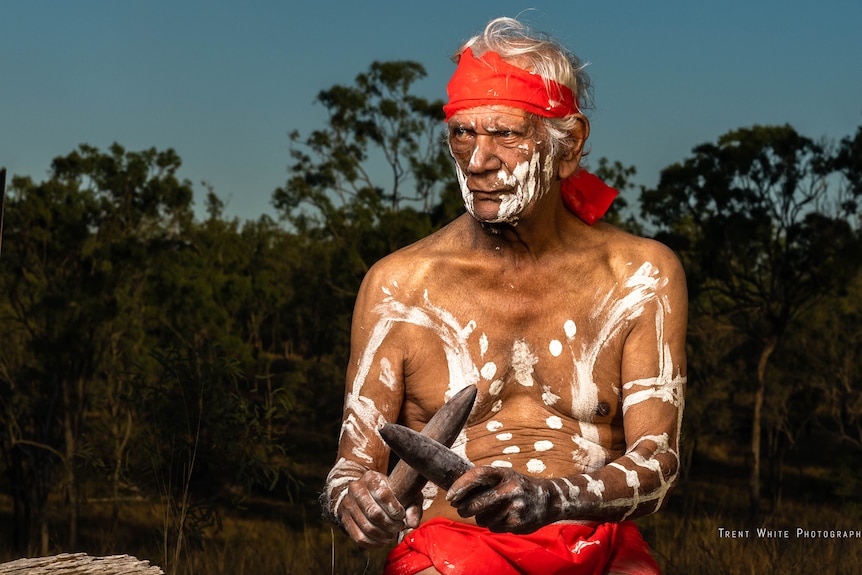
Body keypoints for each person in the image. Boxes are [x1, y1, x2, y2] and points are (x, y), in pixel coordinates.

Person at [321, 16, 686, 575]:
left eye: (506, 134)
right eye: (463, 133)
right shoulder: (399, 286)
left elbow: (657, 465)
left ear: (568, 147)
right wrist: (358, 503)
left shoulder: (639, 277)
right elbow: (349, 471)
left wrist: (552, 498)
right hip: (447, 550)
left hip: (599, 545)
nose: (477, 160)